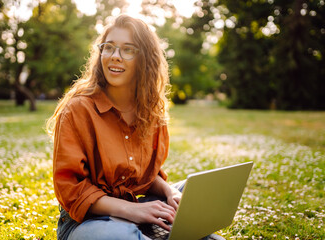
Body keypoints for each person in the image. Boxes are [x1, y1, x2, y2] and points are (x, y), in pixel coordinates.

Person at [46, 15, 224, 240]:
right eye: (109, 48)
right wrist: (135, 211)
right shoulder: (78, 109)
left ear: (145, 59)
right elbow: (72, 192)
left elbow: (147, 178)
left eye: (127, 49)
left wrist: (169, 192)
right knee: (120, 235)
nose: (115, 57)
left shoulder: (150, 110)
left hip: (136, 212)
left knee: (192, 191)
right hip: (88, 223)